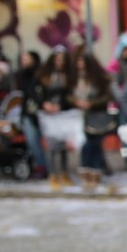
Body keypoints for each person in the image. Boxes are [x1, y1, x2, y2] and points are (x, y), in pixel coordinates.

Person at [34, 47, 75, 190]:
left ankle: (64, 172)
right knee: (51, 145)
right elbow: (37, 93)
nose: (59, 62)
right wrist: (44, 104)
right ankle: (53, 175)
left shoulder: (68, 76)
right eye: (57, 59)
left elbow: (70, 95)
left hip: (62, 113)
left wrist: (61, 106)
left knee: (63, 144)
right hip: (47, 114)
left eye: (62, 59)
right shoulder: (44, 75)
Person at [72, 52, 114, 191]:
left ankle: (94, 173)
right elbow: (68, 95)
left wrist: (91, 103)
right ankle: (89, 173)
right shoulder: (74, 78)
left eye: (82, 62)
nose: (79, 65)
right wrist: (76, 102)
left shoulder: (100, 78)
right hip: (79, 116)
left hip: (97, 116)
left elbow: (108, 96)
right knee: (87, 144)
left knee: (94, 144)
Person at [16, 51, 47, 179]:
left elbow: (36, 94)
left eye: (27, 58)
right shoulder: (21, 75)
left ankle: (43, 166)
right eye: (22, 58)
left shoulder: (39, 75)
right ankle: (39, 166)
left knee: (36, 142)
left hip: (39, 112)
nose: (24, 61)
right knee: (31, 141)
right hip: (27, 113)